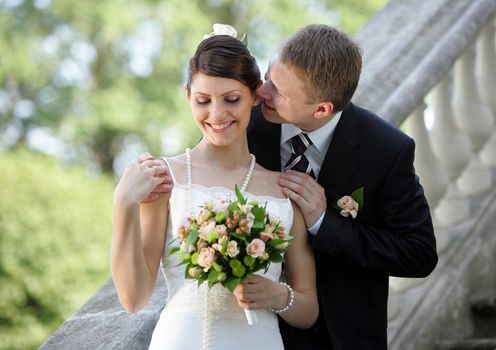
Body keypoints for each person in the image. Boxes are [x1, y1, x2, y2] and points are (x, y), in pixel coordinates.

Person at [148, 24, 438, 349]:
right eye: (270, 75)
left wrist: (324, 223)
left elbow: (420, 253)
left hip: (342, 332)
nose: (263, 91)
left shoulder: (385, 150)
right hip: (253, 329)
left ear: (322, 109)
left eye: (280, 93)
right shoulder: (244, 121)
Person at [111, 31, 318, 350]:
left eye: (231, 99)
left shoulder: (284, 191)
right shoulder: (167, 180)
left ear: (255, 94)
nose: (217, 115)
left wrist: (277, 295)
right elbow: (134, 299)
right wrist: (123, 203)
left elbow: (307, 310)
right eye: (203, 101)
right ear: (187, 95)